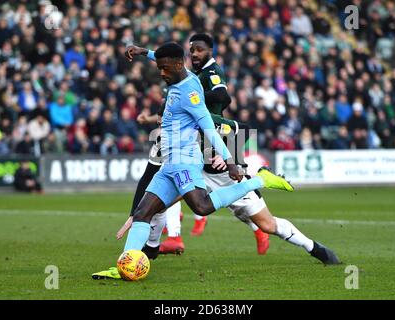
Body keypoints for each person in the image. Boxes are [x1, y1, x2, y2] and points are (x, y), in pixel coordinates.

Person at [92, 42, 293, 280]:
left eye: (165, 69)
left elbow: (208, 128)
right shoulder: (181, 73)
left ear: (178, 65)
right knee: (142, 213)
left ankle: (259, 180)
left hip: (185, 161)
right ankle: (124, 266)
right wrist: (144, 52)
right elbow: (165, 56)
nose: (162, 73)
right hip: (169, 163)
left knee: (202, 206)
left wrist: (229, 161)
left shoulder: (190, 93)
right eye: (160, 68)